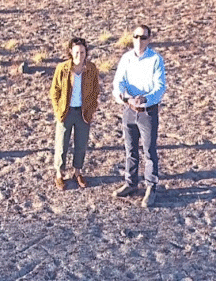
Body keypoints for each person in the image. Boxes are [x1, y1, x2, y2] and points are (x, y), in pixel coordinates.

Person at [113, 24, 166, 208]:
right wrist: (124, 97)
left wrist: (145, 99)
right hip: (129, 109)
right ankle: (131, 183)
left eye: (143, 37)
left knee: (149, 151)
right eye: (136, 36)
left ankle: (151, 187)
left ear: (149, 39)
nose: (139, 40)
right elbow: (118, 82)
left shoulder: (156, 59)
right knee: (130, 149)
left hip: (147, 111)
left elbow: (160, 87)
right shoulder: (126, 58)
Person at [49, 36, 101, 190]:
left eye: (82, 52)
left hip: (83, 113)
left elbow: (95, 91)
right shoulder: (62, 68)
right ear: (71, 52)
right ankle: (59, 174)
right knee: (61, 144)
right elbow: (54, 91)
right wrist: (58, 111)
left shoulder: (91, 69)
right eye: (76, 52)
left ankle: (77, 172)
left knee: (81, 144)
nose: (80, 55)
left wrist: (91, 110)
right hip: (66, 112)